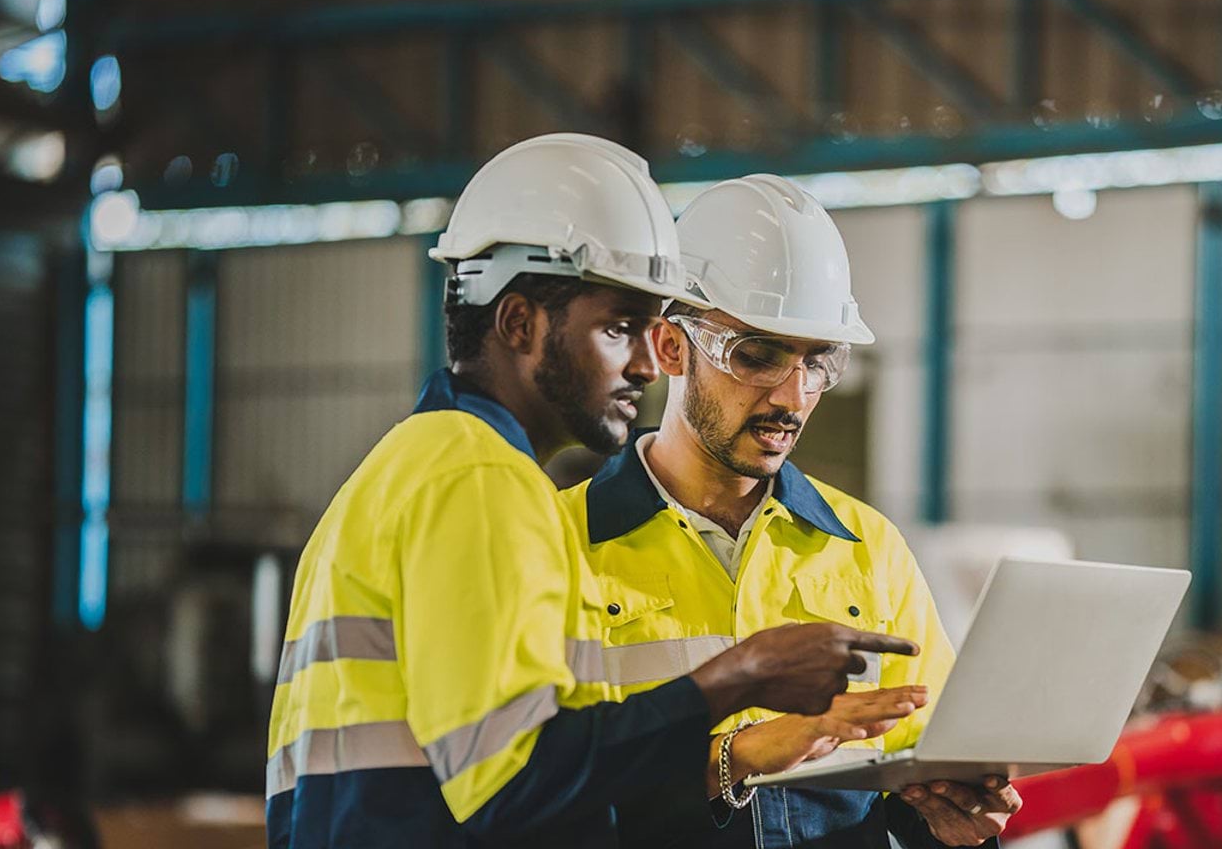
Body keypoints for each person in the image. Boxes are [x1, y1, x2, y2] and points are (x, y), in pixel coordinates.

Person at [264, 138, 919, 849]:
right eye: (619, 328)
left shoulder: (414, 464)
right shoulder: (479, 481)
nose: (645, 362)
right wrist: (736, 681)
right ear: (520, 323)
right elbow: (512, 783)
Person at [561, 175, 1021, 848]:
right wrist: (732, 757)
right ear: (669, 347)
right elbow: (530, 788)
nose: (793, 395)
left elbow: (915, 768)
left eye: (817, 361)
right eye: (757, 355)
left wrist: (950, 822)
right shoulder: (560, 544)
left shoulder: (867, 547)